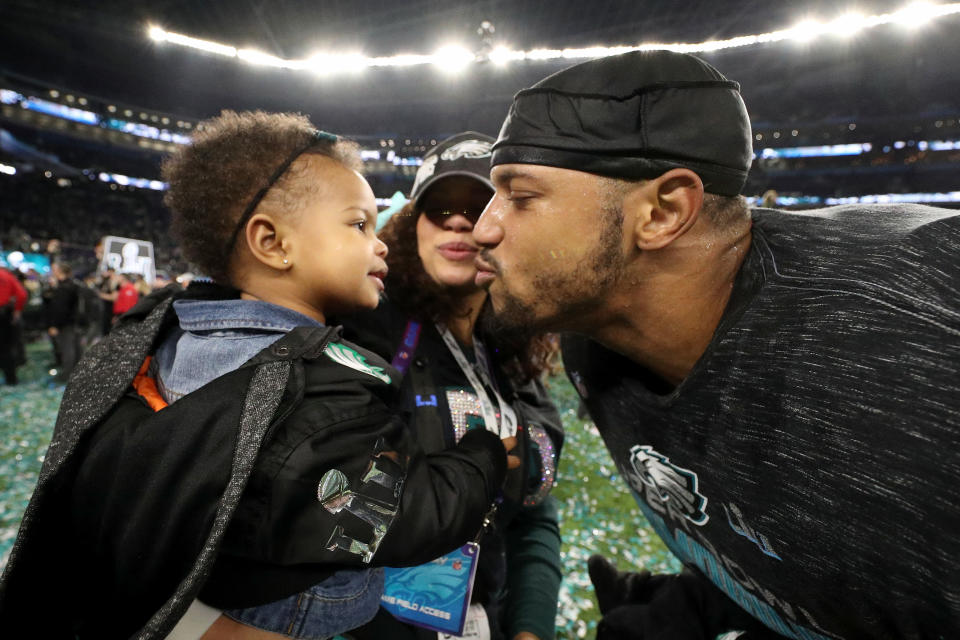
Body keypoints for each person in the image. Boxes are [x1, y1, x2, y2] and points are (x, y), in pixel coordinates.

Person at [471, 50, 960, 639]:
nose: (484, 227)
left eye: (520, 196)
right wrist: (689, 612)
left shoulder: (912, 360)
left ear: (663, 211)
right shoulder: (599, 335)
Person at [0, 111, 517, 640]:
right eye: (359, 224)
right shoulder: (320, 387)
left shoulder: (163, 338)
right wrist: (484, 457)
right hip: (294, 617)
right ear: (272, 243)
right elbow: (399, 518)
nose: (380, 241)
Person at [340, 133, 564, 640]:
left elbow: (533, 518)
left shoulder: (510, 353)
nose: (461, 221)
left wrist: (530, 628)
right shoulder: (366, 330)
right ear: (411, 227)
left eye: (482, 206)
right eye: (440, 208)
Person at [44, 261, 81, 383]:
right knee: (73, 348)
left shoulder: (64, 288)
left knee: (67, 350)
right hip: (70, 321)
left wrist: (54, 325)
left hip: (65, 323)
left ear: (59, 271)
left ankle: (67, 376)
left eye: (54, 269)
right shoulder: (70, 285)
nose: (52, 271)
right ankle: (75, 373)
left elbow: (60, 309)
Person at [0, 266, 28, 385]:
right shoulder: (6, 275)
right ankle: (11, 378)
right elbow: (22, 294)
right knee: (6, 348)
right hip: (4, 315)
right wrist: (17, 310)